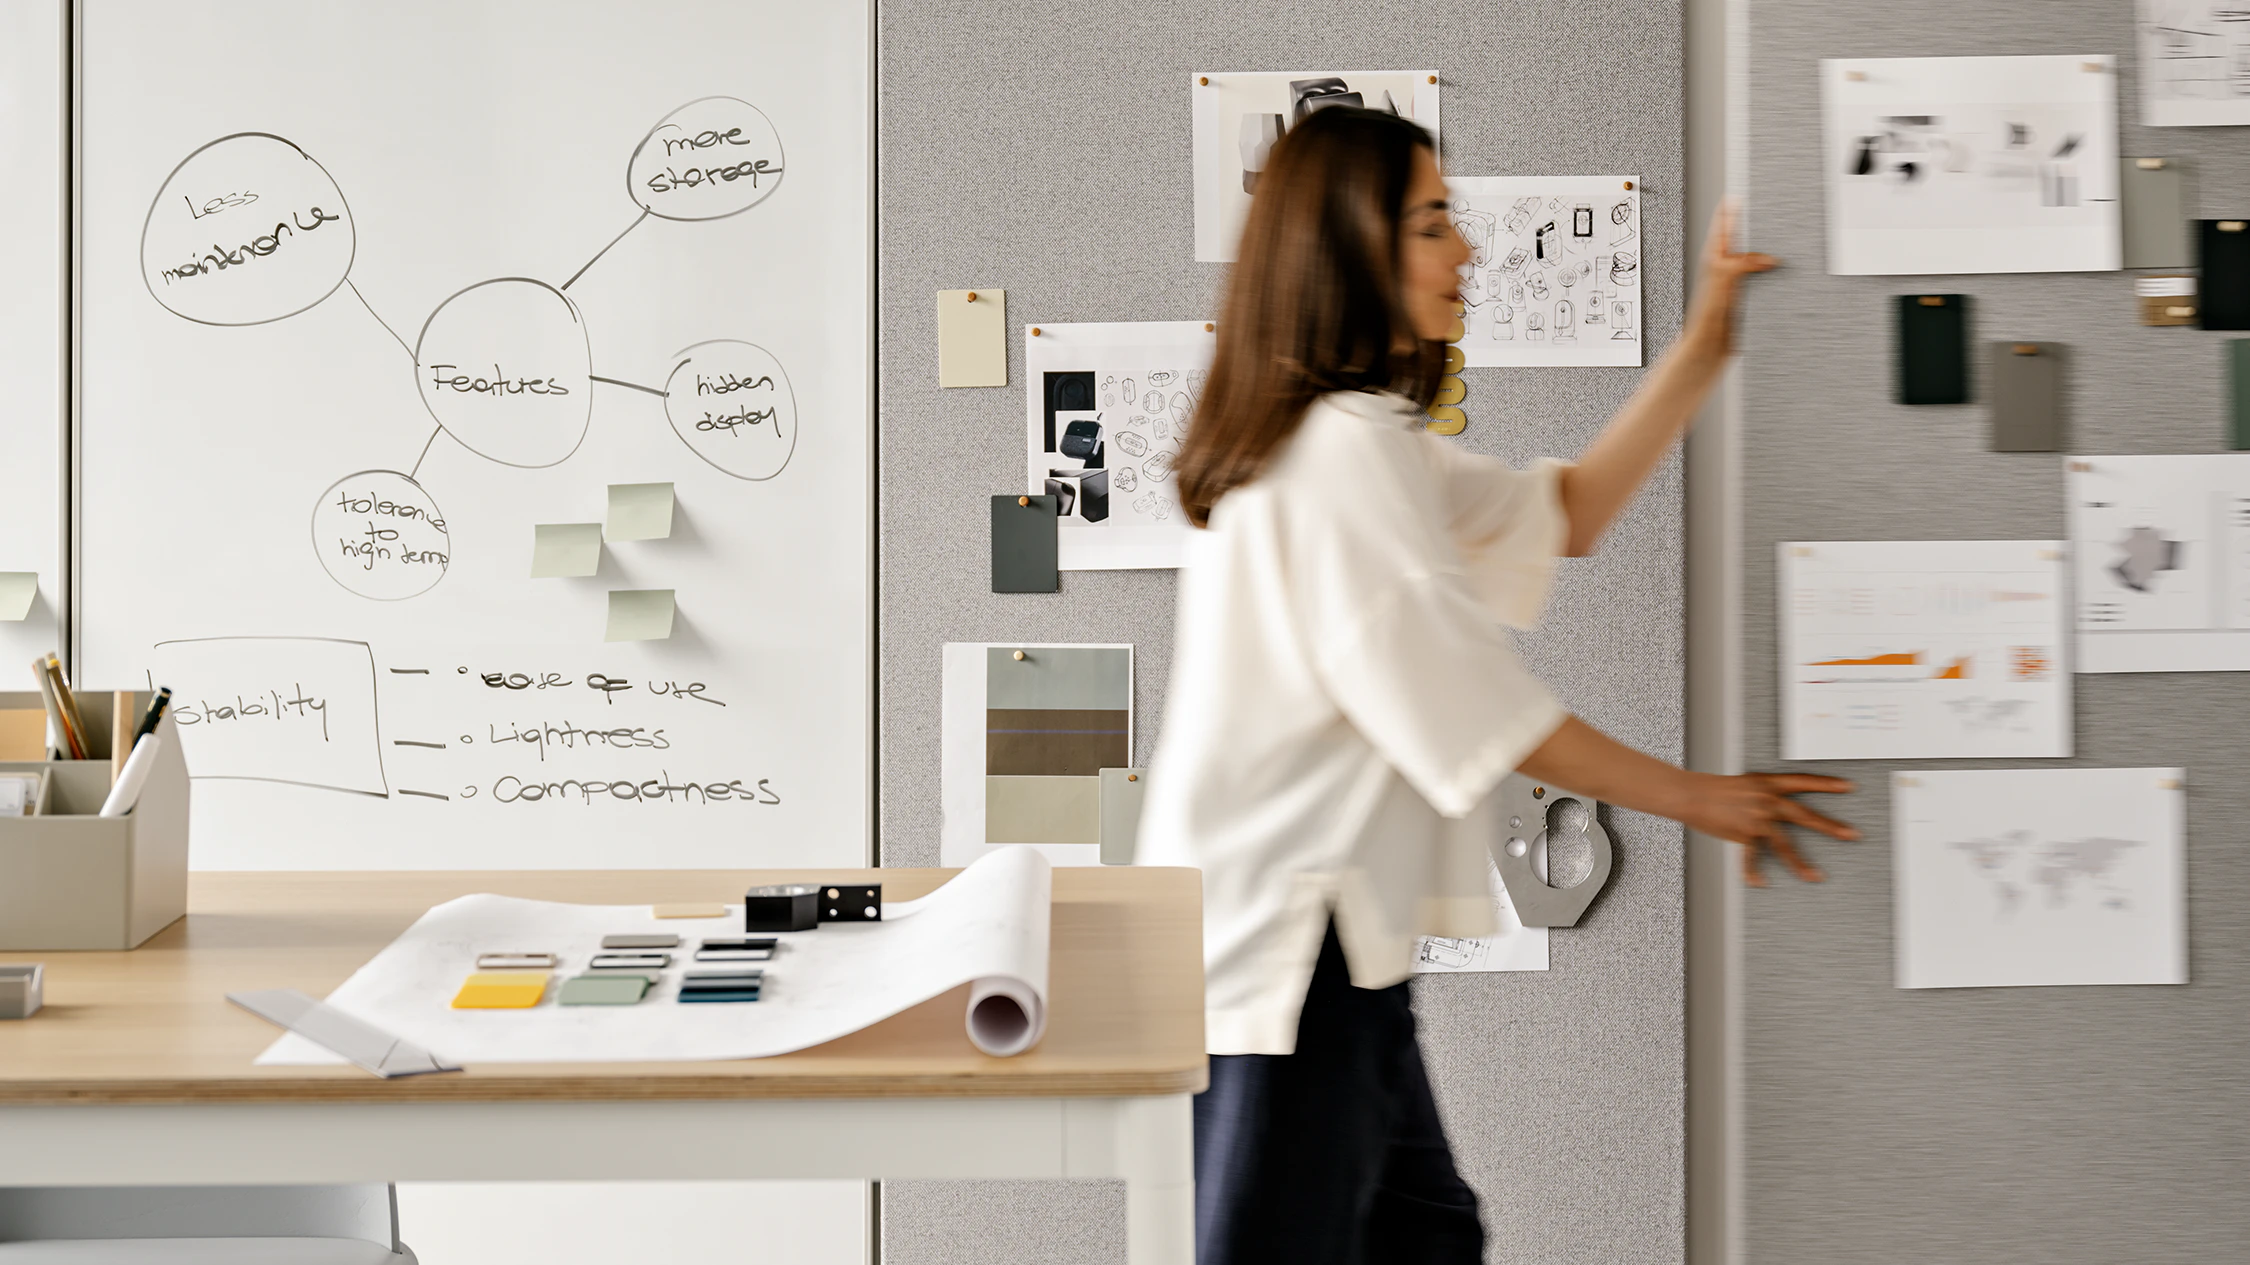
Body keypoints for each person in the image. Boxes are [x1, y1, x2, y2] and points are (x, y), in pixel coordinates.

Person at [1136, 107, 1856, 1265]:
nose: (1466, 250)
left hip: (1324, 942)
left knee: (1429, 1235)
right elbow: (1469, 705)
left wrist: (1704, 346)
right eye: (1432, 224)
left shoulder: (1353, 440)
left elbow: (1564, 515)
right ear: (1348, 249)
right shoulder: (1339, 455)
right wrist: (1704, 797)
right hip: (1291, 950)